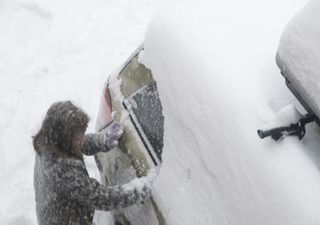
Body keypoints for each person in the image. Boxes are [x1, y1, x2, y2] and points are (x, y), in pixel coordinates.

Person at [33, 101, 157, 225]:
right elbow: (100, 198)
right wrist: (136, 192)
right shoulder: (62, 171)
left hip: (56, 213)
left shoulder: (49, 142)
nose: (81, 140)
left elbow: (76, 144)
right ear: (63, 137)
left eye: (81, 134)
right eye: (77, 138)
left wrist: (102, 140)